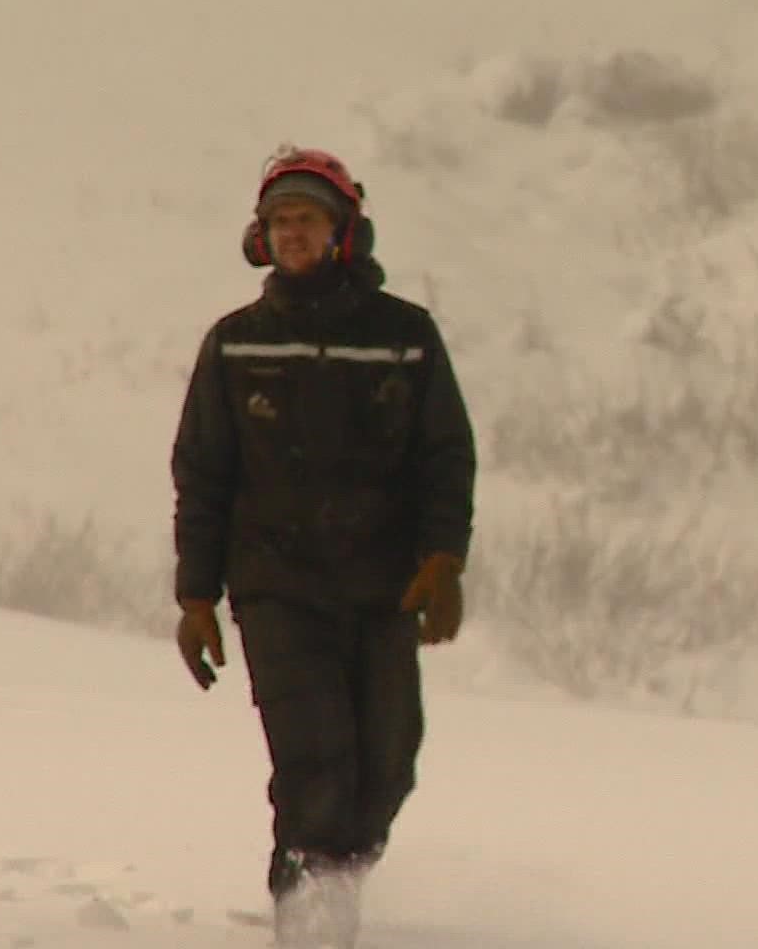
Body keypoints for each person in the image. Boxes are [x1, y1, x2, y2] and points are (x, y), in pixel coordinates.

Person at [168, 144, 476, 944]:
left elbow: (444, 457)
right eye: (276, 221)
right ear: (258, 237)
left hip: (381, 591)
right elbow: (202, 474)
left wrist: (443, 560)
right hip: (276, 591)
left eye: (305, 218)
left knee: (388, 763)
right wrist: (196, 596)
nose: (289, 233)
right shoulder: (235, 344)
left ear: (344, 231)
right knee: (316, 764)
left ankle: (338, 888)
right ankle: (308, 921)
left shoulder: (405, 337)